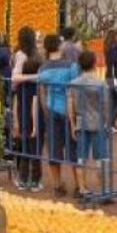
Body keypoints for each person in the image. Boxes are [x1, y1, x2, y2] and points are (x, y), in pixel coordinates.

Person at [38, 34, 81, 197]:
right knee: (74, 149)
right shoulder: (71, 65)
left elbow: (42, 92)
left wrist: (45, 111)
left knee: (54, 148)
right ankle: (78, 186)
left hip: (51, 109)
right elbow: (75, 89)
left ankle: (57, 185)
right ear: (59, 46)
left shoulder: (43, 68)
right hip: (69, 111)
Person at [70, 50, 109, 195]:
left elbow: (72, 104)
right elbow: (105, 105)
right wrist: (106, 122)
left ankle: (82, 188)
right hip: (98, 122)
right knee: (101, 159)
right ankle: (104, 189)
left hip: (81, 121)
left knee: (81, 157)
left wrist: (73, 123)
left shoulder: (74, 83)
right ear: (94, 63)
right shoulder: (101, 83)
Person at [11, 27, 43, 191]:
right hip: (34, 96)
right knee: (33, 135)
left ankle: (27, 177)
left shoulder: (23, 54)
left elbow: (15, 78)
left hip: (26, 97)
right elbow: (15, 77)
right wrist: (36, 78)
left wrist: (30, 78)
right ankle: (33, 177)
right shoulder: (35, 55)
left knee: (27, 135)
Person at [103, 29, 117, 132]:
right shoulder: (116, 47)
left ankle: (111, 124)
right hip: (115, 77)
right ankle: (109, 123)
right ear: (116, 36)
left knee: (114, 101)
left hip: (109, 75)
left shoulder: (108, 46)